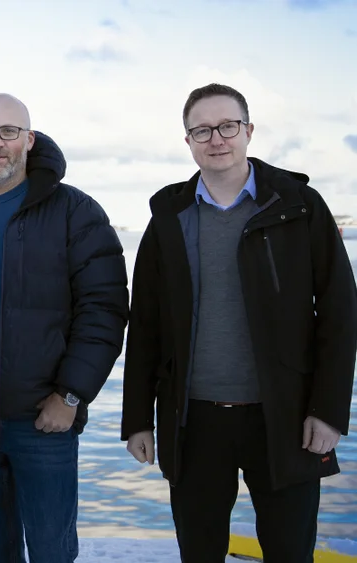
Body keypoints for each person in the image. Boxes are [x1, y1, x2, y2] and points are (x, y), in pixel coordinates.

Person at [121, 83, 357, 563]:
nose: (217, 139)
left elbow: (339, 311)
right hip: (194, 418)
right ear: (187, 140)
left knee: (291, 551)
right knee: (200, 553)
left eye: (228, 126)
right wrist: (137, 419)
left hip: (286, 415)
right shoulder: (169, 216)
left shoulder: (299, 205)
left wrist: (329, 410)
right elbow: (144, 323)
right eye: (202, 130)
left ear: (248, 131)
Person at [0, 93, 129, 563]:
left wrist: (72, 395)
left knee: (51, 552)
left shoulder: (74, 211)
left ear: (29, 139)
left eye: (8, 132)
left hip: (44, 422)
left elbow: (104, 309)